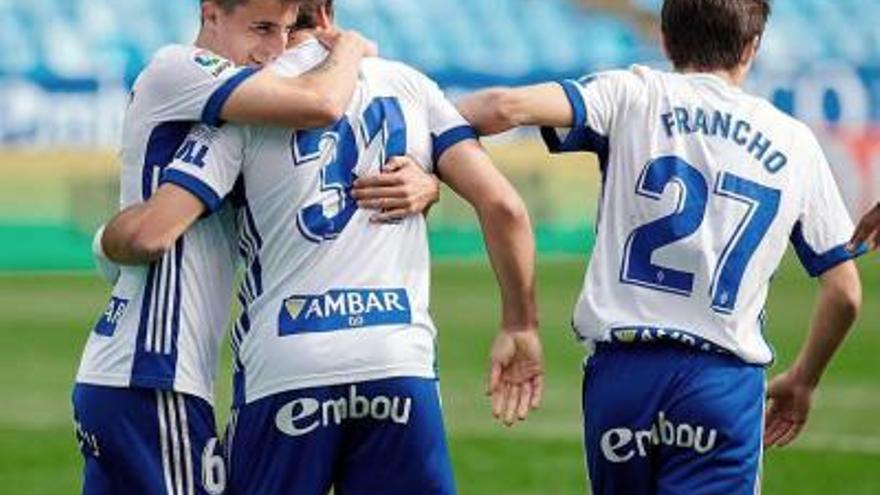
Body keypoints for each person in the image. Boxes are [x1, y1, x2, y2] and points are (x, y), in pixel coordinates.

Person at [117, 2, 544, 492]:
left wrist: (110, 239)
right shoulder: (411, 85)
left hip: (286, 363)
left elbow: (163, 221)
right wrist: (520, 324)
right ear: (324, 12)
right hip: (397, 356)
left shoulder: (247, 99)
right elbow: (505, 207)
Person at [456, 0, 864, 493]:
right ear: (752, 47)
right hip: (722, 382)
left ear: (666, 41)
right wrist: (803, 380)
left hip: (623, 378)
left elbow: (501, 107)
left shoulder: (633, 93)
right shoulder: (795, 142)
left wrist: (419, 136)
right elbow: (844, 293)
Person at [72, 1, 383, 494]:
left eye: (284, 31)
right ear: (210, 14)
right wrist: (349, 48)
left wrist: (424, 181)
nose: (273, 50)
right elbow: (321, 103)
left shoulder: (231, 112)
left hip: (125, 372)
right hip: (153, 370)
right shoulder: (184, 67)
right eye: (260, 28)